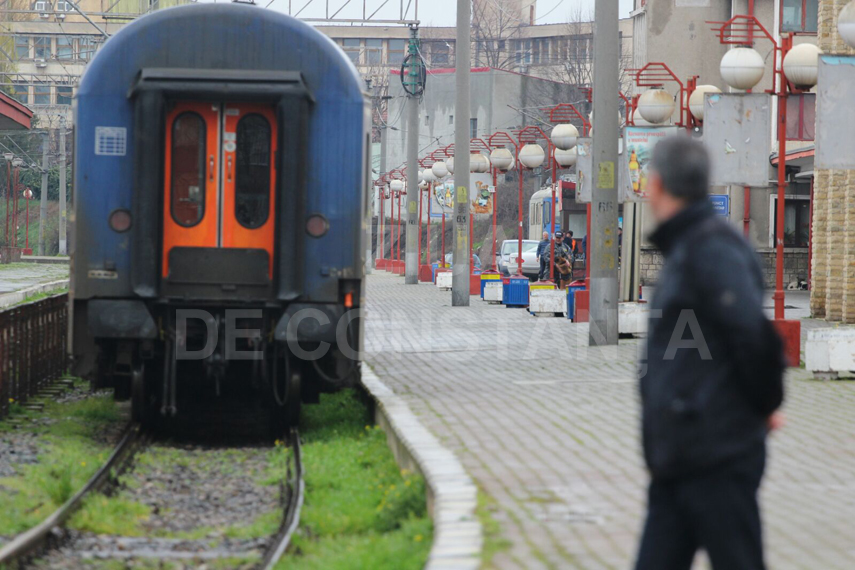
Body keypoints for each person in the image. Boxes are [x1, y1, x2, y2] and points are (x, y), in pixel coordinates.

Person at [635, 136, 785, 570]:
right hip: (678, 457)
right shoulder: (688, 247)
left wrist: (764, 403)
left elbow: (752, 335)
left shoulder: (710, 248)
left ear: (657, 184)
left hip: (715, 457)